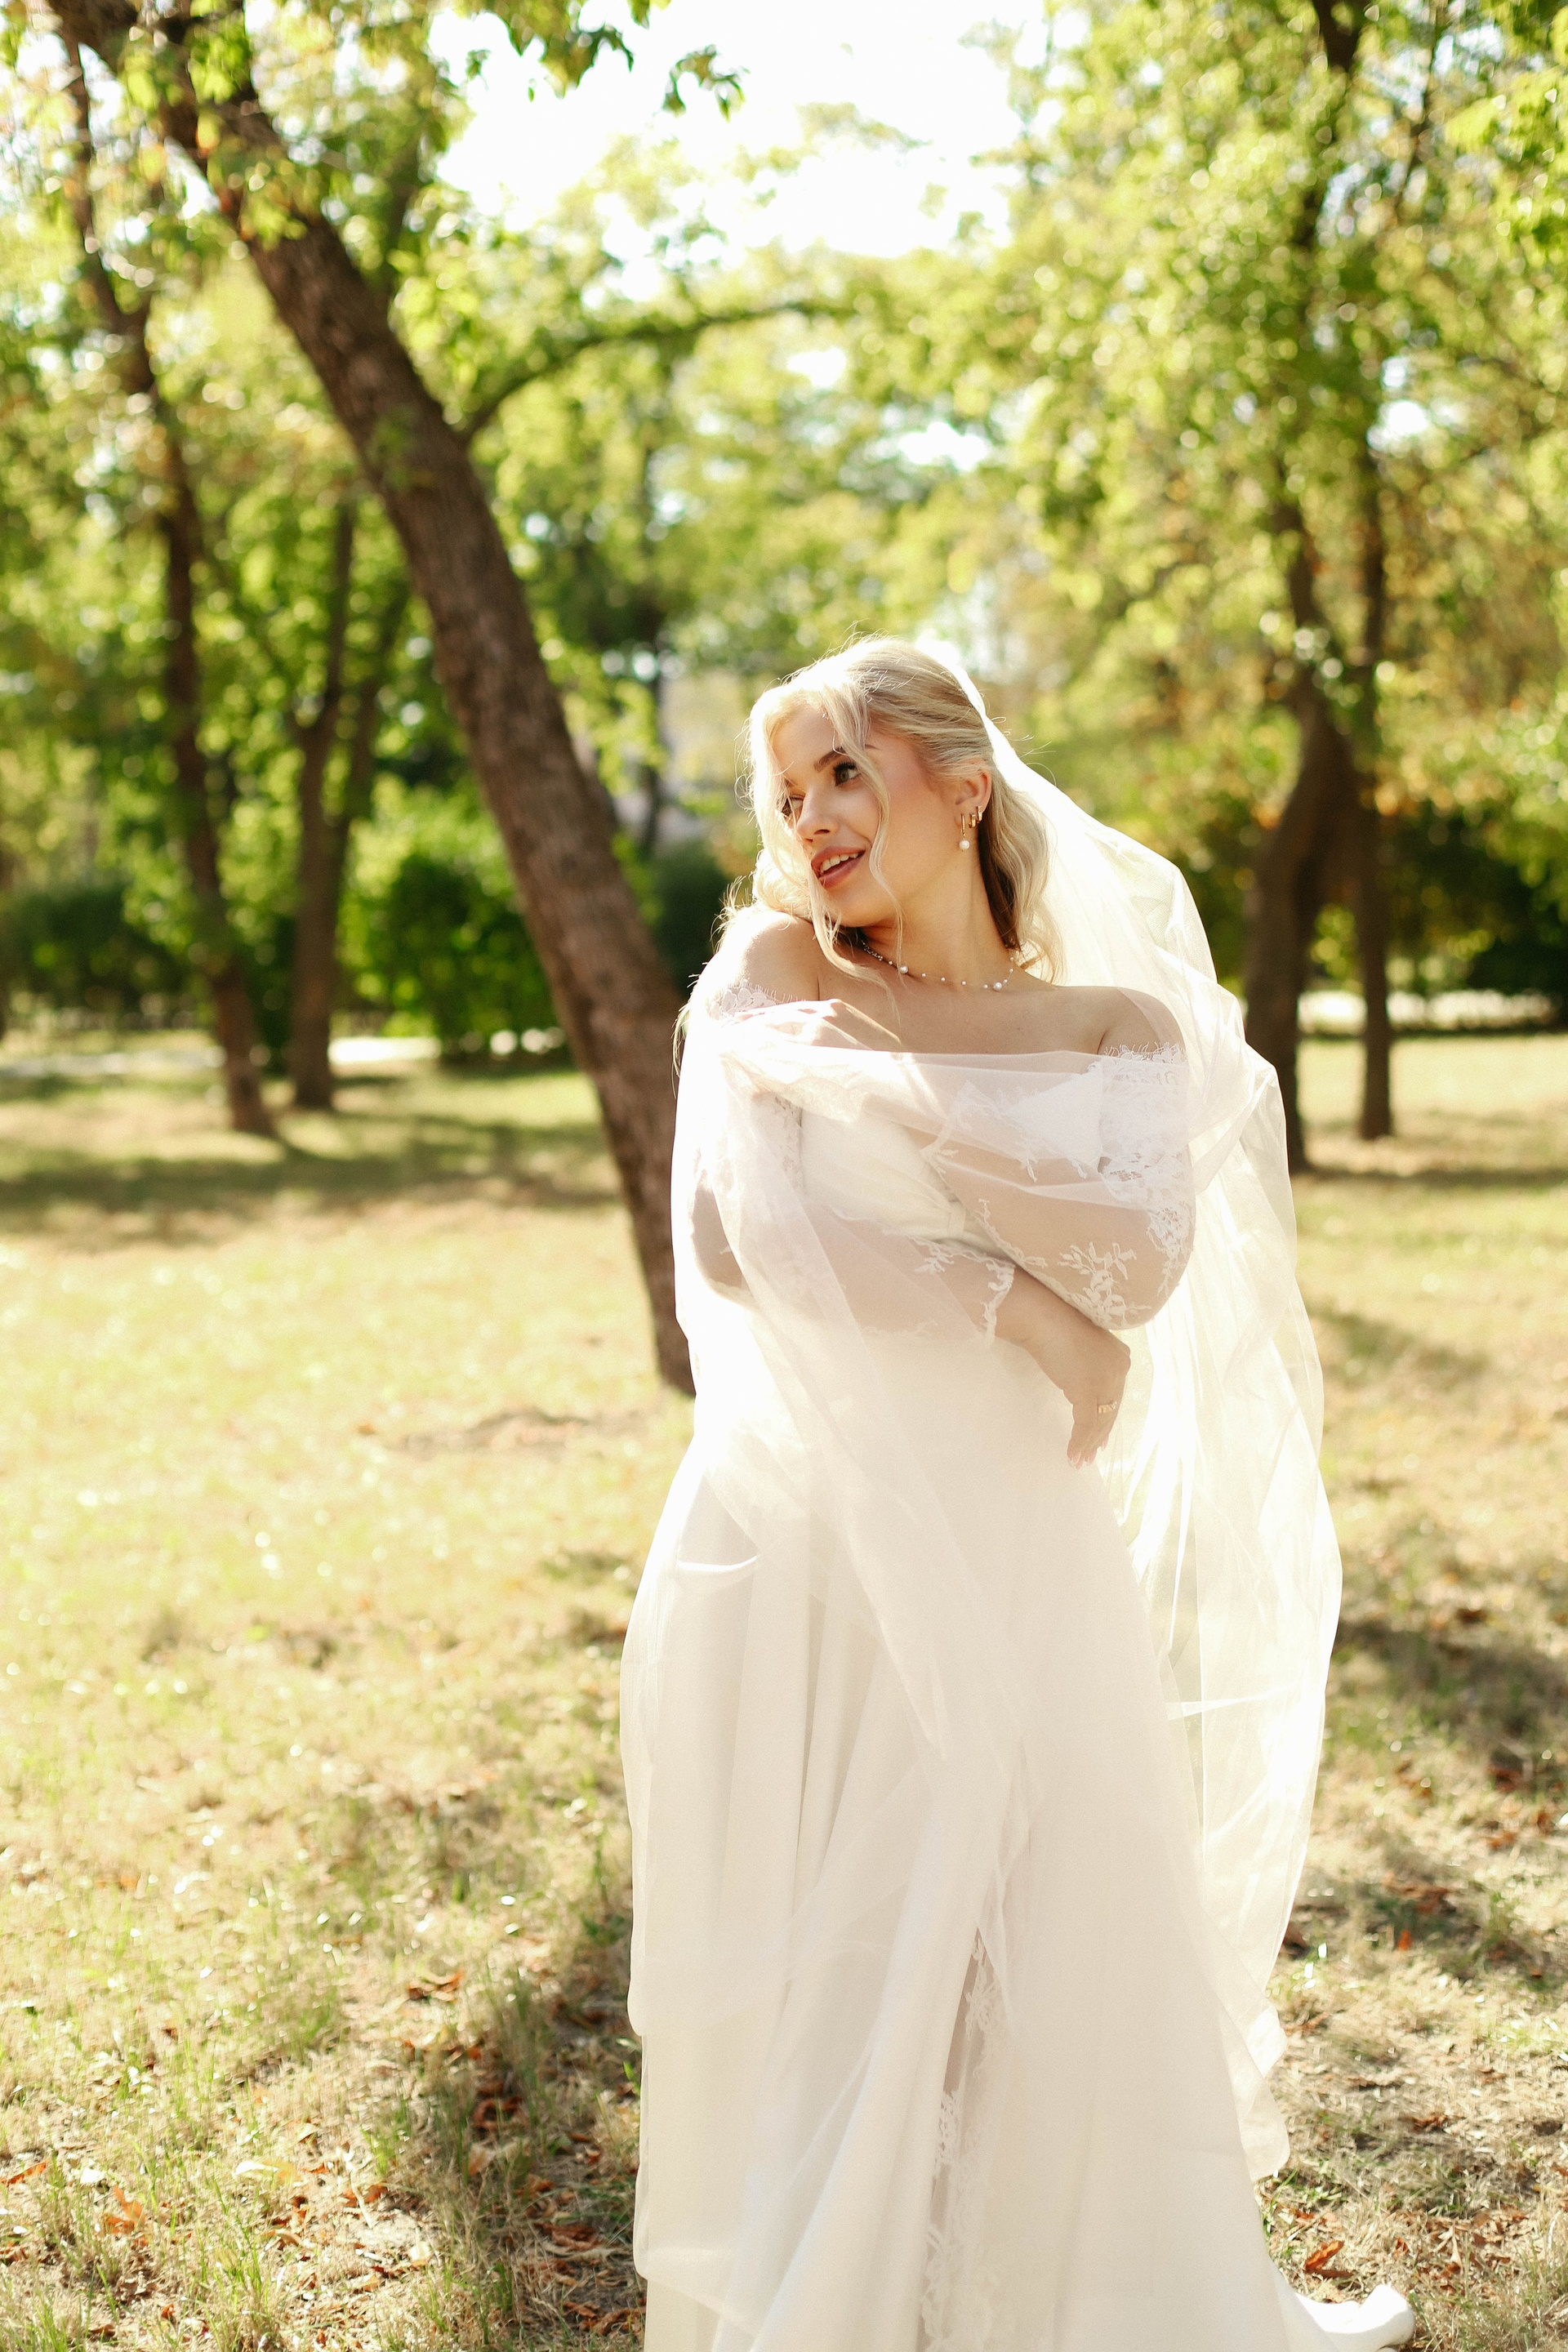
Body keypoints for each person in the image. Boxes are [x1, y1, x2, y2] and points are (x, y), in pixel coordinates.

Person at [619, 639, 1415, 2352]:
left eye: (846, 771)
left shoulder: (1113, 1029)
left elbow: (1133, 1266)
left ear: (964, 785)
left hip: (1011, 1537)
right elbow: (733, 1239)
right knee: (838, 1954)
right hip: (805, 1534)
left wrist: (914, 1088)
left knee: (1033, 1942)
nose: (810, 819)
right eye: (787, 790)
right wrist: (1012, 1300)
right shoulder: (771, 965)